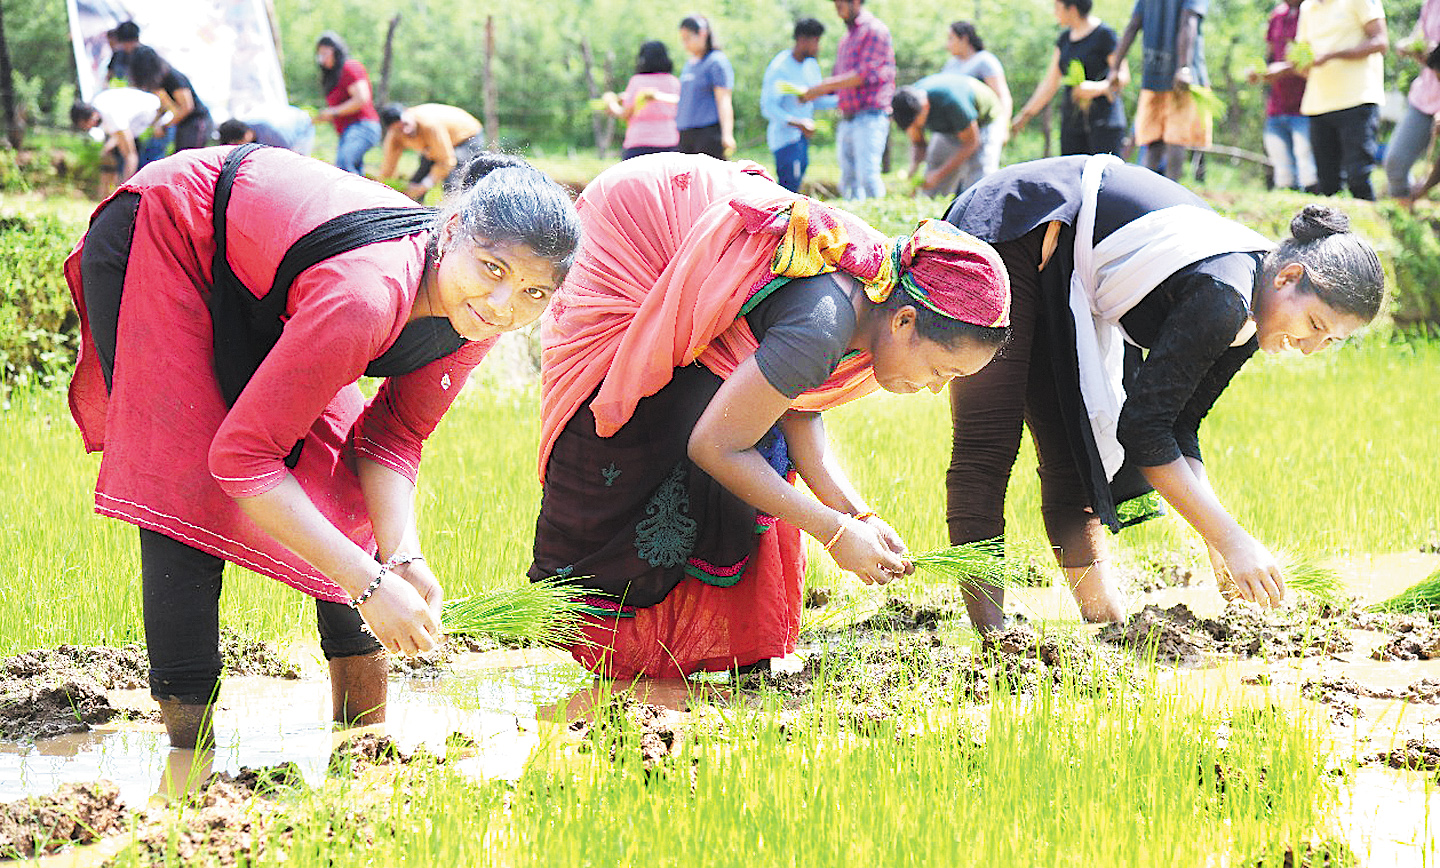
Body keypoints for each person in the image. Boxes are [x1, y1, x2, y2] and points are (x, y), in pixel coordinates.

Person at [64, 146, 580, 749]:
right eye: (493, 268)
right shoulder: (367, 296)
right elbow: (243, 460)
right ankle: (190, 762)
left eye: (534, 293)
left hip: (275, 281)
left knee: (338, 483)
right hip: (175, 235)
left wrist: (400, 558)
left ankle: (363, 742)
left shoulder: (479, 316)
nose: (503, 304)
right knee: (187, 490)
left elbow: (393, 433)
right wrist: (368, 587)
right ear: (453, 230)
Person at [529, 153, 1012, 679]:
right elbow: (716, 446)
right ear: (904, 320)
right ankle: (645, 657)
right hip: (631, 239)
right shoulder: (824, 322)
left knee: (754, 433)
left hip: (678, 218)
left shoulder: (875, 294)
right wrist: (833, 533)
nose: (935, 389)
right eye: (941, 370)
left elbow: (796, 404)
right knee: (669, 440)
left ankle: (694, 661)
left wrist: (859, 516)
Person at [943, 155, 1384, 633]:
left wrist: (1217, 536)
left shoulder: (1249, 314)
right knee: (988, 442)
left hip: (1065, 268)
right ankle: (993, 640)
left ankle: (1106, 626)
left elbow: (1179, 424)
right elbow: (1142, 432)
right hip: (1019, 224)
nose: (1310, 347)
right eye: (1315, 324)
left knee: (1074, 454)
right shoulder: (1224, 295)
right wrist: (1231, 539)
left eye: (1329, 340)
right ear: (1288, 278)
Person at [1011, 0, 1130, 157]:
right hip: (1072, 125)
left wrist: (1099, 87)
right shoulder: (1064, 39)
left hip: (1104, 124)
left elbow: (1123, 75)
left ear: (1072, 9)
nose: (1055, 13)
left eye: (1057, 8)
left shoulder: (1104, 35)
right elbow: (1050, 84)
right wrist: (1025, 115)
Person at [803, 0, 896, 200]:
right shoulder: (846, 38)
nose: (837, 7)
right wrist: (812, 93)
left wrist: (823, 86)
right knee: (848, 181)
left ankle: (880, 217)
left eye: (840, 3)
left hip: (870, 114)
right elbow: (839, 81)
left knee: (867, 177)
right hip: (847, 116)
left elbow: (863, 74)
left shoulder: (874, 30)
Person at [1110, 0, 1212, 181]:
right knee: (1175, 140)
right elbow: (1188, 21)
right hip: (1178, 80)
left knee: (1153, 143)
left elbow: (1133, 25)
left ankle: (1148, 193)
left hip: (1154, 74)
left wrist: (1115, 68)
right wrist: (1184, 67)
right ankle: (1168, 193)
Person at [1296, 0, 1387, 199]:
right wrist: (1299, 64)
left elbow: (1381, 42)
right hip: (1318, 104)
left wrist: (1332, 55)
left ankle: (1368, 218)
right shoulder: (1307, 7)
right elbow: (1303, 56)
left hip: (1357, 99)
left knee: (1358, 178)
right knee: (1327, 184)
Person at [891, 73, 999, 197]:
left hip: (984, 119)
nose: (915, 129)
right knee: (934, 166)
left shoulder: (951, 101)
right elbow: (919, 144)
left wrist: (938, 175)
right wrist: (913, 171)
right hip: (949, 126)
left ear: (925, 107)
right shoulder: (906, 106)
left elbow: (971, 143)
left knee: (978, 177)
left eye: (916, 124)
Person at [761, 18, 838, 191]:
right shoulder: (780, 67)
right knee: (788, 188)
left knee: (796, 185)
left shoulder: (811, 66)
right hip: (785, 139)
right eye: (816, 41)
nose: (818, 47)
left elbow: (815, 100)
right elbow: (768, 107)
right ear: (802, 40)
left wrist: (844, 101)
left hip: (802, 138)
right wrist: (798, 123)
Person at [1258, 0, 1319, 192]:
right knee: (1281, 164)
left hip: (1305, 104)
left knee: (1307, 163)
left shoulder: (1313, 11)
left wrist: (1285, 69)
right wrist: (1261, 72)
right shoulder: (1277, 16)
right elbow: (1269, 55)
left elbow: (1314, 57)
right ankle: (1287, 196)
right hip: (1277, 105)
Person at [941, 21, 1012, 176]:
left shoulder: (985, 61)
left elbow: (1002, 95)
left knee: (982, 175)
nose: (947, 45)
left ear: (964, 39)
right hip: (959, 132)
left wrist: (1004, 127)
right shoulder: (951, 65)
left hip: (985, 126)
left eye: (951, 38)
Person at [1384, 0, 1438, 201]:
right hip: (1425, 98)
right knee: (1395, 162)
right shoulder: (1431, 3)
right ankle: (1403, 212)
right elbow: (1418, 38)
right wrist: (1411, 47)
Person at [375, 102, 485, 201]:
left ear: (407, 113)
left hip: (467, 137)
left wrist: (424, 186)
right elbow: (388, 165)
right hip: (435, 146)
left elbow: (447, 162)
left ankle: (454, 209)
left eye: (405, 124)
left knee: (454, 176)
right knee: (415, 184)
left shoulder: (429, 124)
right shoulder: (394, 135)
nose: (405, 131)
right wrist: (381, 189)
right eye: (399, 129)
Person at [600, 41, 682, 160]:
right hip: (669, 141)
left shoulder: (637, 81)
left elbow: (626, 113)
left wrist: (611, 104)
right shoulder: (673, 81)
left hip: (639, 142)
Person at [314, 32, 382, 174]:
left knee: (344, 165)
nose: (322, 58)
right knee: (353, 172)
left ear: (335, 51)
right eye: (320, 54)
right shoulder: (333, 76)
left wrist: (333, 112)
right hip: (347, 131)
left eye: (325, 53)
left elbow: (361, 98)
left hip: (363, 126)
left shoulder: (350, 67)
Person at [71, 88, 162, 187]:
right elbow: (118, 136)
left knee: (148, 166)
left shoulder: (110, 115)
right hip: (141, 123)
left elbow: (131, 156)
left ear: (90, 117)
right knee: (109, 153)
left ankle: (125, 191)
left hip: (160, 114)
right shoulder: (98, 106)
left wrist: (123, 189)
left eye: (86, 124)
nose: (88, 128)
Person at [128, 47, 213, 153]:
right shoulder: (161, 79)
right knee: (181, 155)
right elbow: (165, 106)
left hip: (197, 122)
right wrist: (156, 122)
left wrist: (165, 126)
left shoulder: (173, 78)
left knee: (189, 156)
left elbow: (187, 107)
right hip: (184, 124)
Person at [675, 15, 736, 159]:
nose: (685, 44)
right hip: (686, 132)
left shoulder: (716, 61)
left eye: (688, 38)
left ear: (702, 34)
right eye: (683, 39)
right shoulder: (689, 64)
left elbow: (724, 99)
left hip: (707, 133)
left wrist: (727, 134)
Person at [216, 105, 316, 155]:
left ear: (245, 136)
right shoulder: (244, 123)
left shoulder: (274, 134)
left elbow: (288, 155)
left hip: (302, 127)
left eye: (237, 143)